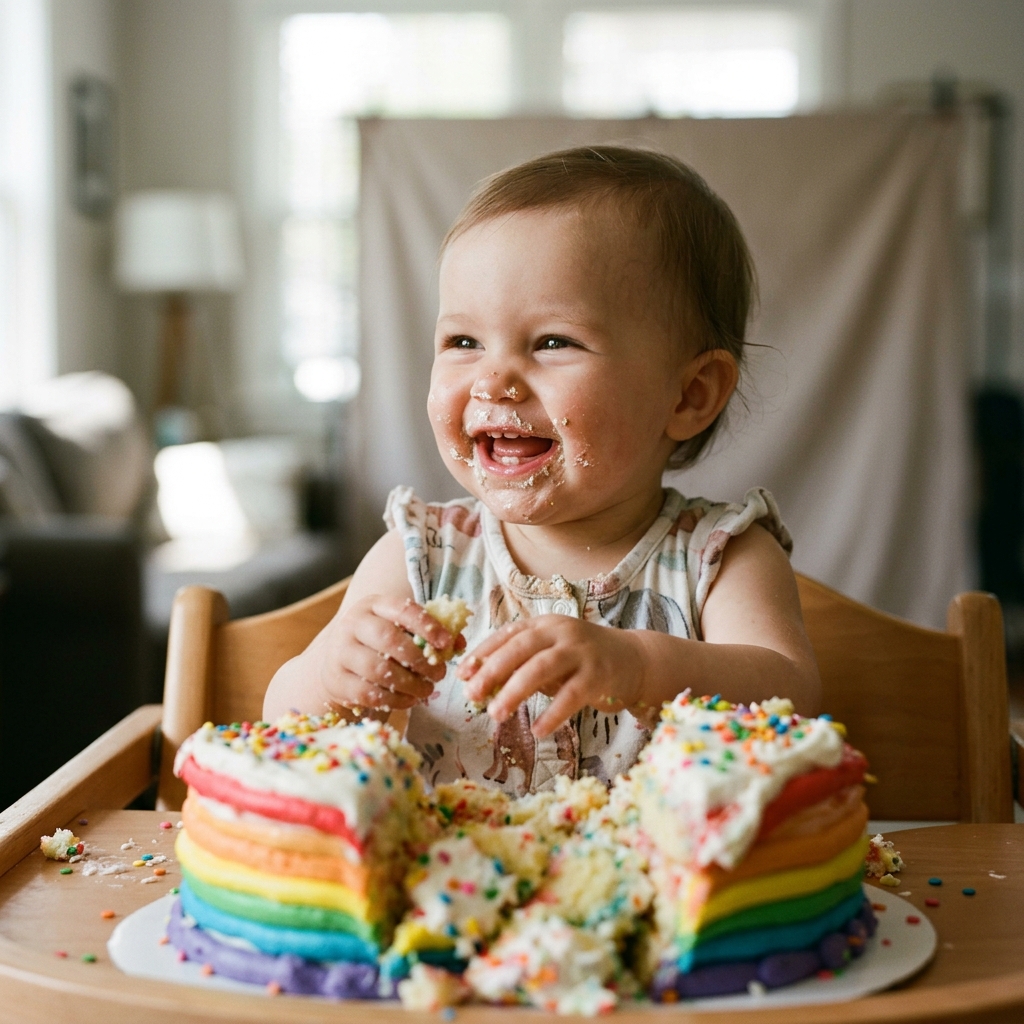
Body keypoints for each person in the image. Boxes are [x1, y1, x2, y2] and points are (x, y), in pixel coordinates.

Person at [264, 145, 820, 795]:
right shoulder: (422, 557)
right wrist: (333, 675)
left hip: (662, 886)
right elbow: (286, 726)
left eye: (553, 342)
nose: (492, 378)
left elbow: (792, 703)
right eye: (462, 342)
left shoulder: (720, 559)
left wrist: (640, 667)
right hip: (444, 883)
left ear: (689, 395)